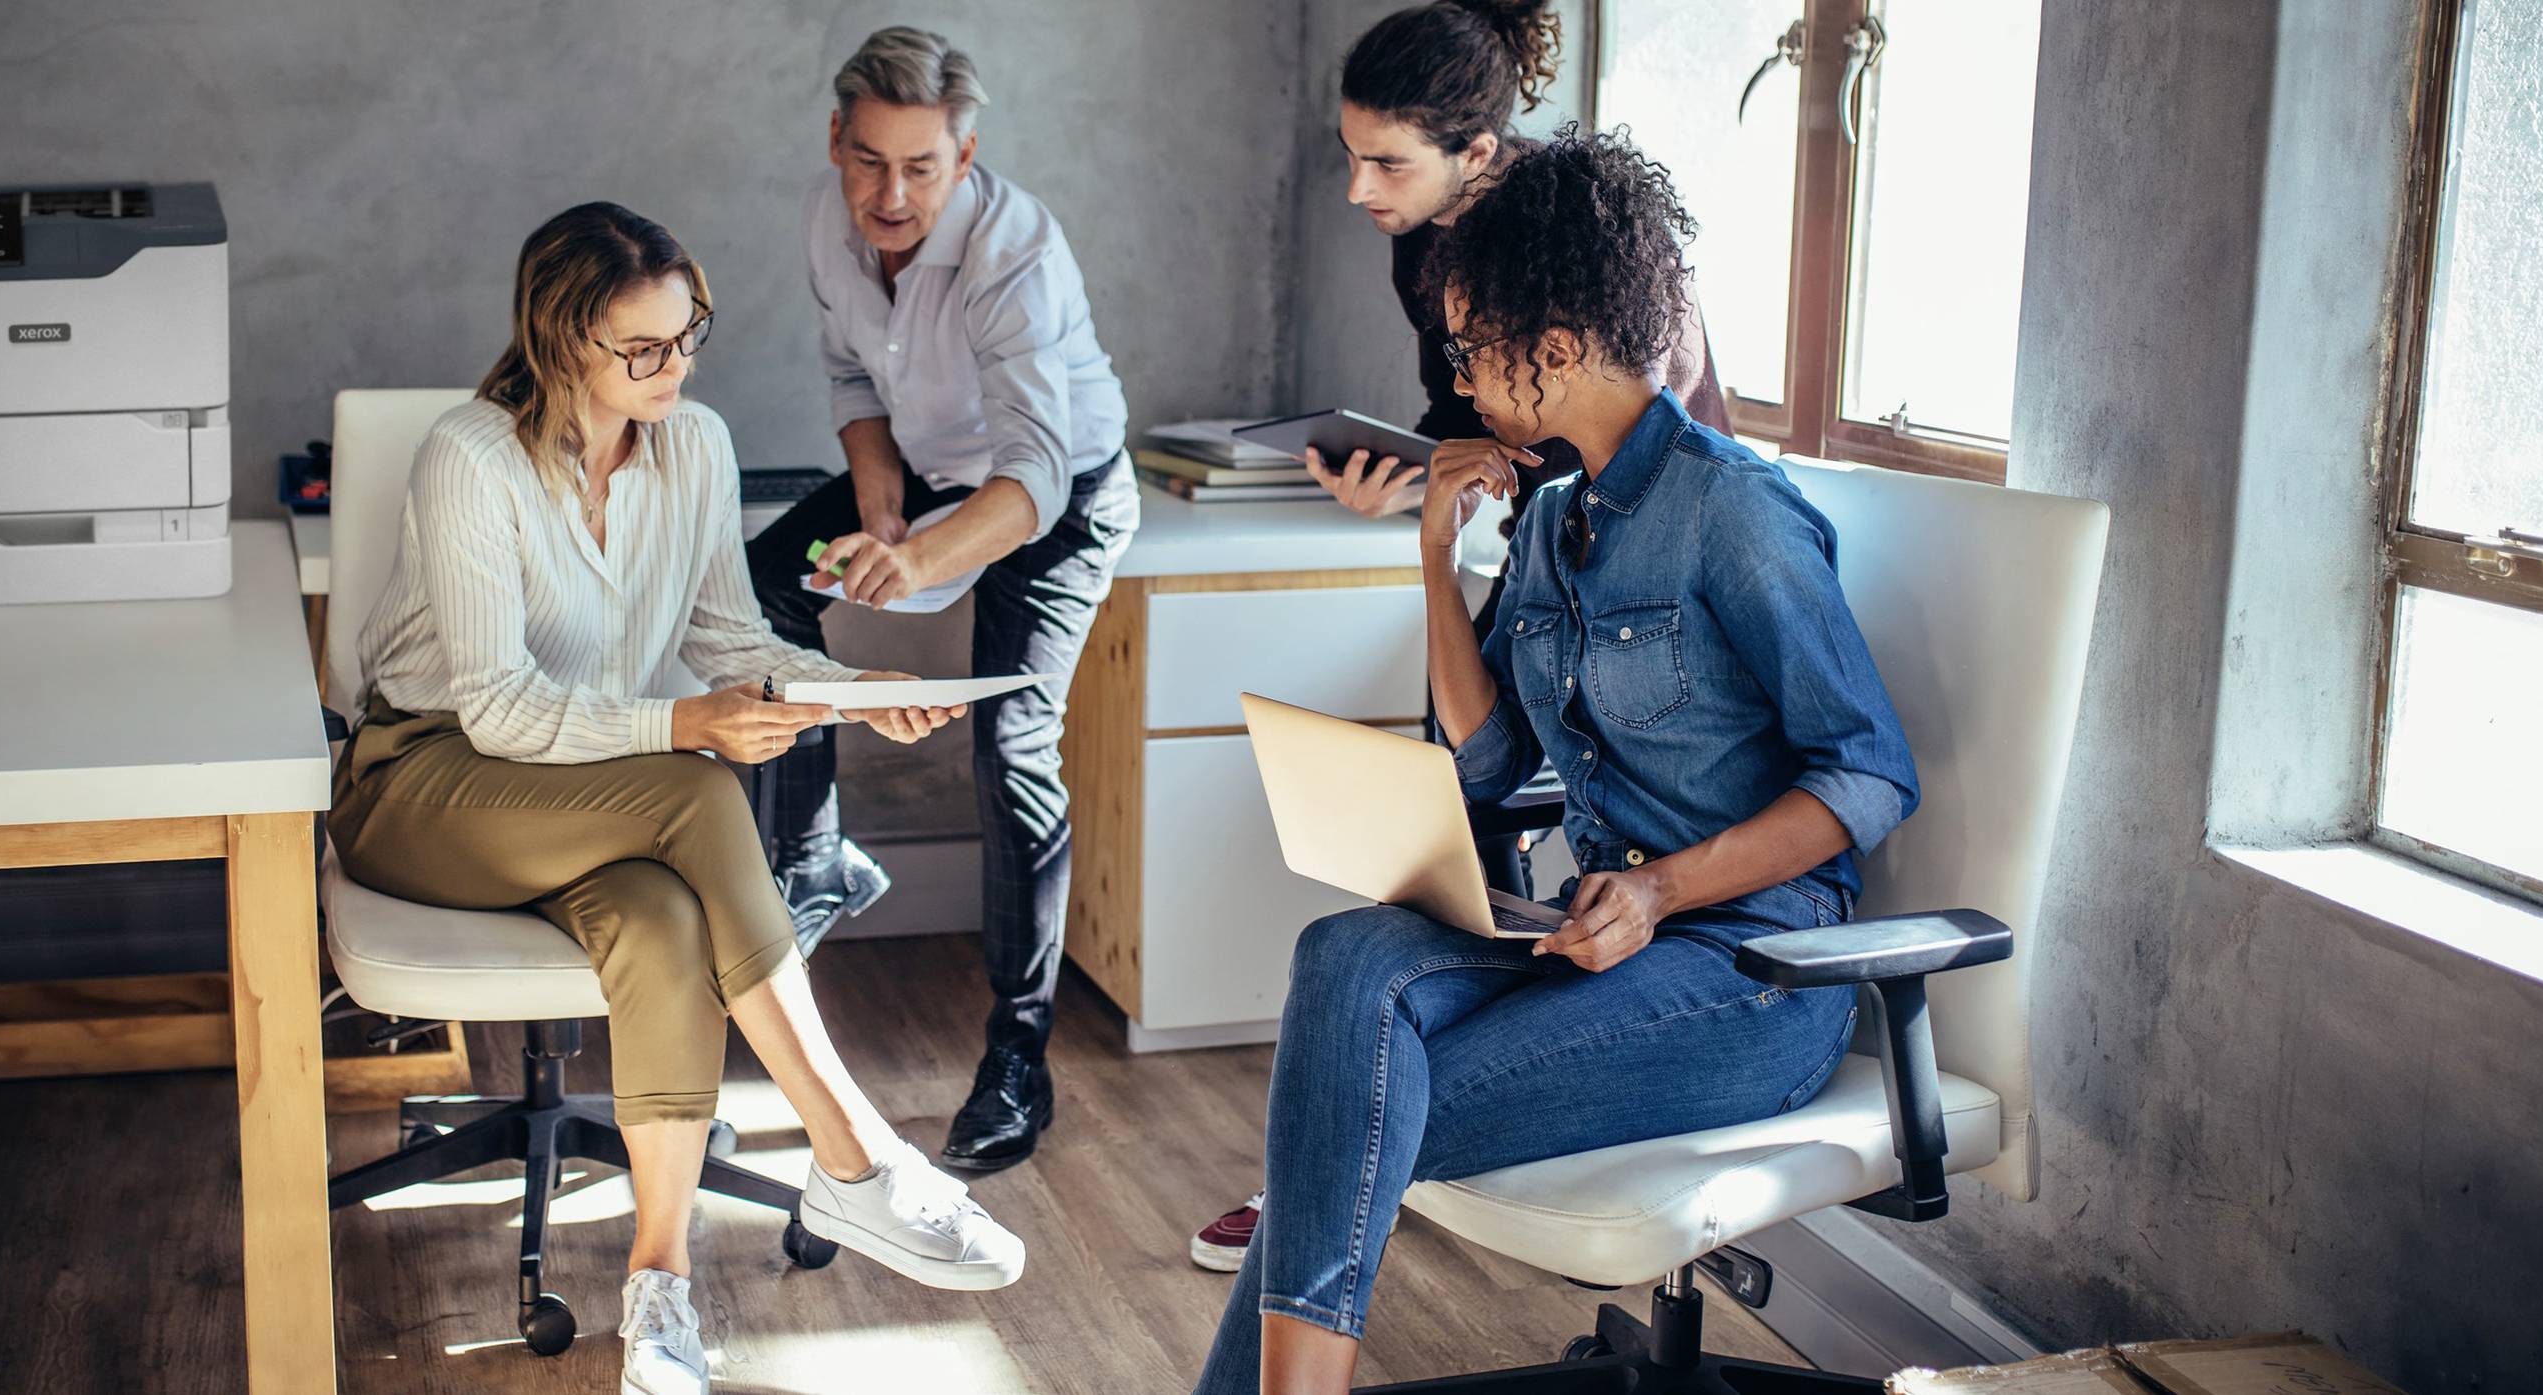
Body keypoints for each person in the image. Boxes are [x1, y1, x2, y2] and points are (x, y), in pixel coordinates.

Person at [1191, 130, 1919, 1395]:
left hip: (1754, 970)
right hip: (1587, 929)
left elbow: (1867, 778)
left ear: (1562, 344)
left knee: (1351, 1115)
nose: (1460, 375)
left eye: (1473, 345)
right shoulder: (1546, 516)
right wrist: (1432, 552)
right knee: (1343, 957)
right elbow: (1483, 766)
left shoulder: (1731, 514)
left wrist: (1659, 889)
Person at [329, 201, 1024, 1395]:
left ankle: (660, 1292)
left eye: (686, 336)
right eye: (639, 349)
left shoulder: (694, 443)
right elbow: (496, 707)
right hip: (427, 779)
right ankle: (852, 1150)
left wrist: (856, 691)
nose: (673, 368)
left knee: (661, 918)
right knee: (699, 794)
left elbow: (724, 637)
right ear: (560, 342)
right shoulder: (471, 456)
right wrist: (688, 727)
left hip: (587, 789)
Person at [1192, 0, 1737, 1276]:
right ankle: (1363, 1139)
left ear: (1480, 152)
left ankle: (1374, 1146)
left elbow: (1609, 415)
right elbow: (1468, 420)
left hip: (1640, 546)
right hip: (1539, 534)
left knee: (1484, 794)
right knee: (1444, 807)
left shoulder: (1579, 239)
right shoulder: (1421, 245)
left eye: (1386, 162)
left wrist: (1468, 474)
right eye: (1350, 154)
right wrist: (1413, 480)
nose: (1354, 188)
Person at [746, 26, 1139, 1175]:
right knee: (762, 584)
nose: (891, 193)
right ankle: (811, 851)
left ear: (965, 159)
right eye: (869, 161)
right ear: (836, 141)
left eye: (922, 167)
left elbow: (1034, 477)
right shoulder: (836, 220)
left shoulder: (1016, 255)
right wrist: (877, 498)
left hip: (1053, 500)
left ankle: (1018, 1062)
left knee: (1012, 746)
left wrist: (916, 563)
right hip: (930, 468)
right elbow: (854, 375)